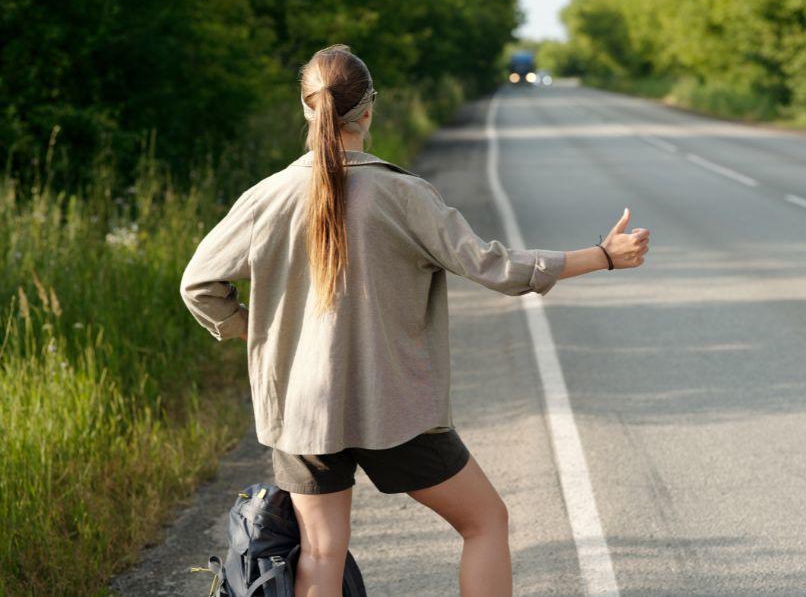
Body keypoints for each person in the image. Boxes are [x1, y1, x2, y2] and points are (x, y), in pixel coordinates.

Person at [179, 43, 650, 597]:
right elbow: (495, 267)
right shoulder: (404, 195)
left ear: (307, 108)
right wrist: (603, 255)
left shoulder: (266, 198)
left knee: (322, 551)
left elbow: (199, 286)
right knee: (485, 523)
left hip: (303, 412)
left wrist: (255, 332)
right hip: (394, 407)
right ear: (369, 109)